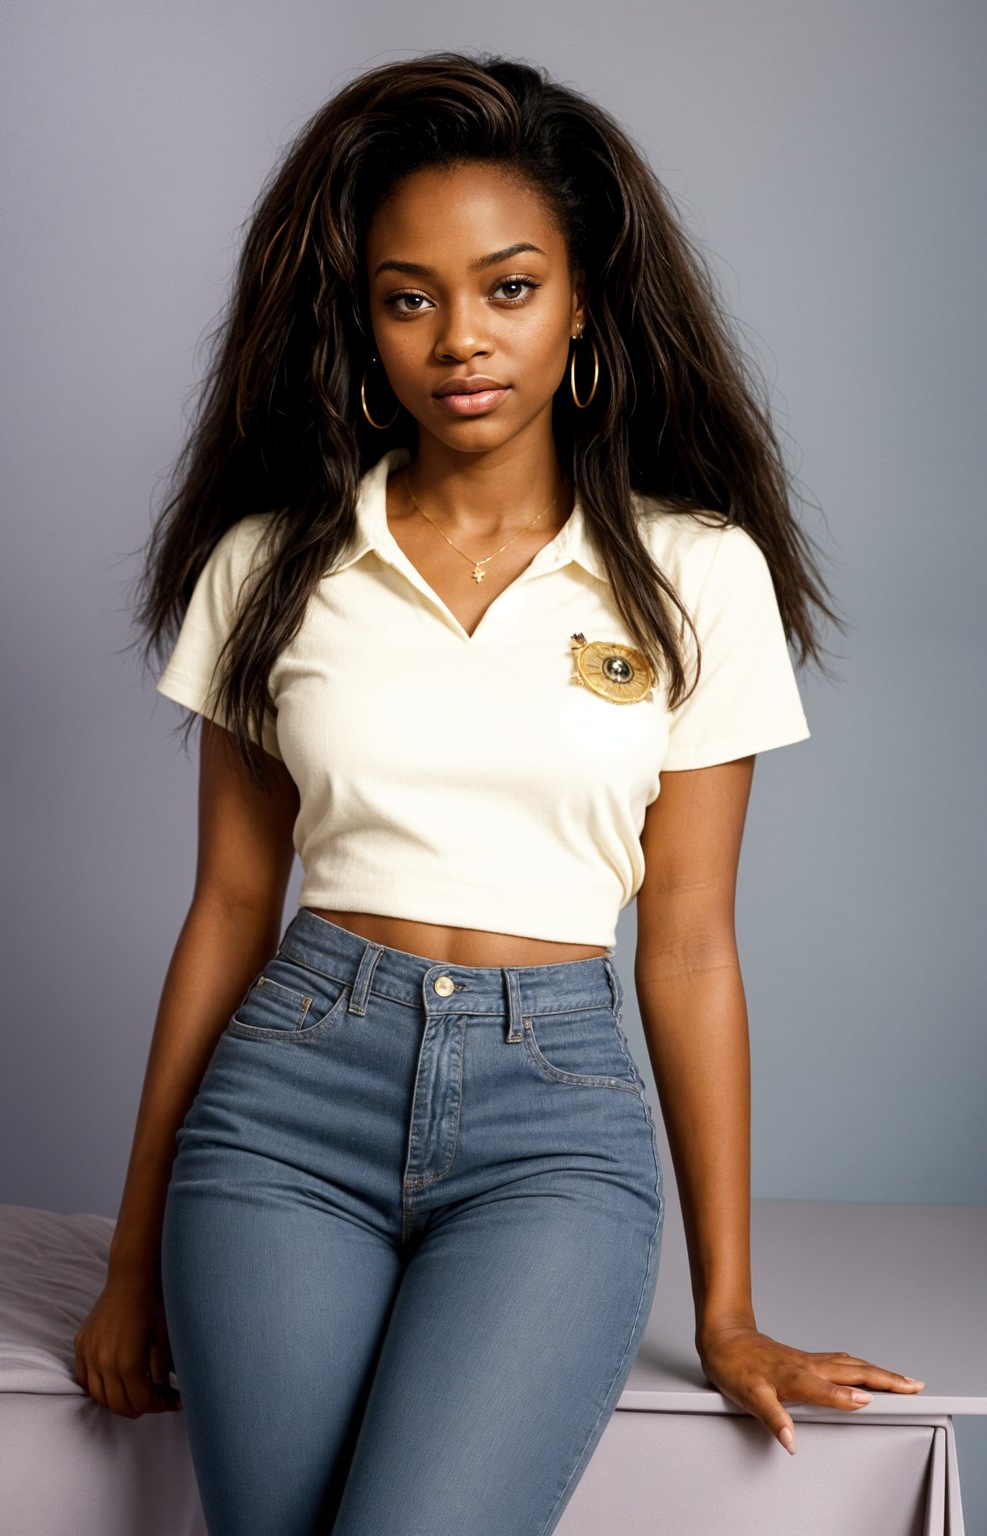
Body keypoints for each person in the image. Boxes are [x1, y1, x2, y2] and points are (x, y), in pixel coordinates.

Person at [73, 51, 924, 1536]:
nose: (461, 339)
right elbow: (225, 908)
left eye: (509, 287)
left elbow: (693, 945)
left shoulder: (692, 573)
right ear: (364, 322)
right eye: (411, 297)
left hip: (554, 1133)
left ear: (583, 299)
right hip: (287, 1108)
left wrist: (729, 1315)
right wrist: (130, 1262)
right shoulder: (272, 567)